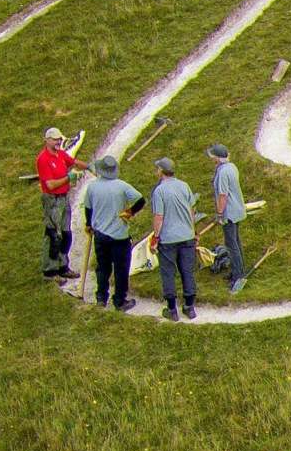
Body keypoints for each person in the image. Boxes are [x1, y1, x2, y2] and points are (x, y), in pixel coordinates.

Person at [82, 153, 143, 311]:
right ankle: (119, 301)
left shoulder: (92, 187)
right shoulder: (122, 186)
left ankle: (101, 297)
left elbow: (88, 208)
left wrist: (89, 224)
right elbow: (141, 200)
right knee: (121, 269)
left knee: (103, 267)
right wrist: (130, 211)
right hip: (119, 235)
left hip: (100, 235)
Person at [151, 156, 201, 320]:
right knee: (187, 271)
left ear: (161, 171)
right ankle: (189, 307)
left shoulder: (159, 191)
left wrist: (155, 238)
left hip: (168, 239)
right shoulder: (184, 186)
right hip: (187, 236)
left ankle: (172, 310)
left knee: (168, 273)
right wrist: (194, 232)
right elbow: (192, 211)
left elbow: (159, 216)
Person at [34, 127, 87, 278]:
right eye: (55, 139)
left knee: (65, 234)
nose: (58, 142)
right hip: (52, 200)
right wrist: (68, 178)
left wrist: (90, 167)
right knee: (53, 235)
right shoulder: (43, 159)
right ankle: (50, 271)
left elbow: (75, 162)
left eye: (59, 139)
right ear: (47, 140)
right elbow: (50, 185)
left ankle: (63, 266)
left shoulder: (60, 154)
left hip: (63, 197)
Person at [206, 142, 247, 291]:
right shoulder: (232, 167)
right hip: (237, 210)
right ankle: (240, 269)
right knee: (236, 241)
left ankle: (238, 274)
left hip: (229, 212)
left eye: (213, 157)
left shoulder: (222, 172)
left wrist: (219, 213)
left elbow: (222, 195)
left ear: (217, 158)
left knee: (231, 244)